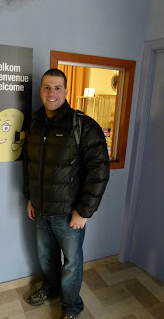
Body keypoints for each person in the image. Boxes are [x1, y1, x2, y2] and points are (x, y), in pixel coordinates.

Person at [23, 69, 110, 319]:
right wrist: (30, 197)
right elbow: (29, 164)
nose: (52, 93)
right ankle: (50, 289)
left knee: (71, 264)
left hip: (69, 214)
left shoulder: (83, 125)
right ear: (41, 90)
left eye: (57, 87)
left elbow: (99, 171)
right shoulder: (35, 123)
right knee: (46, 257)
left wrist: (83, 212)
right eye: (47, 87)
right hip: (40, 210)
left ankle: (71, 307)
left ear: (66, 91)